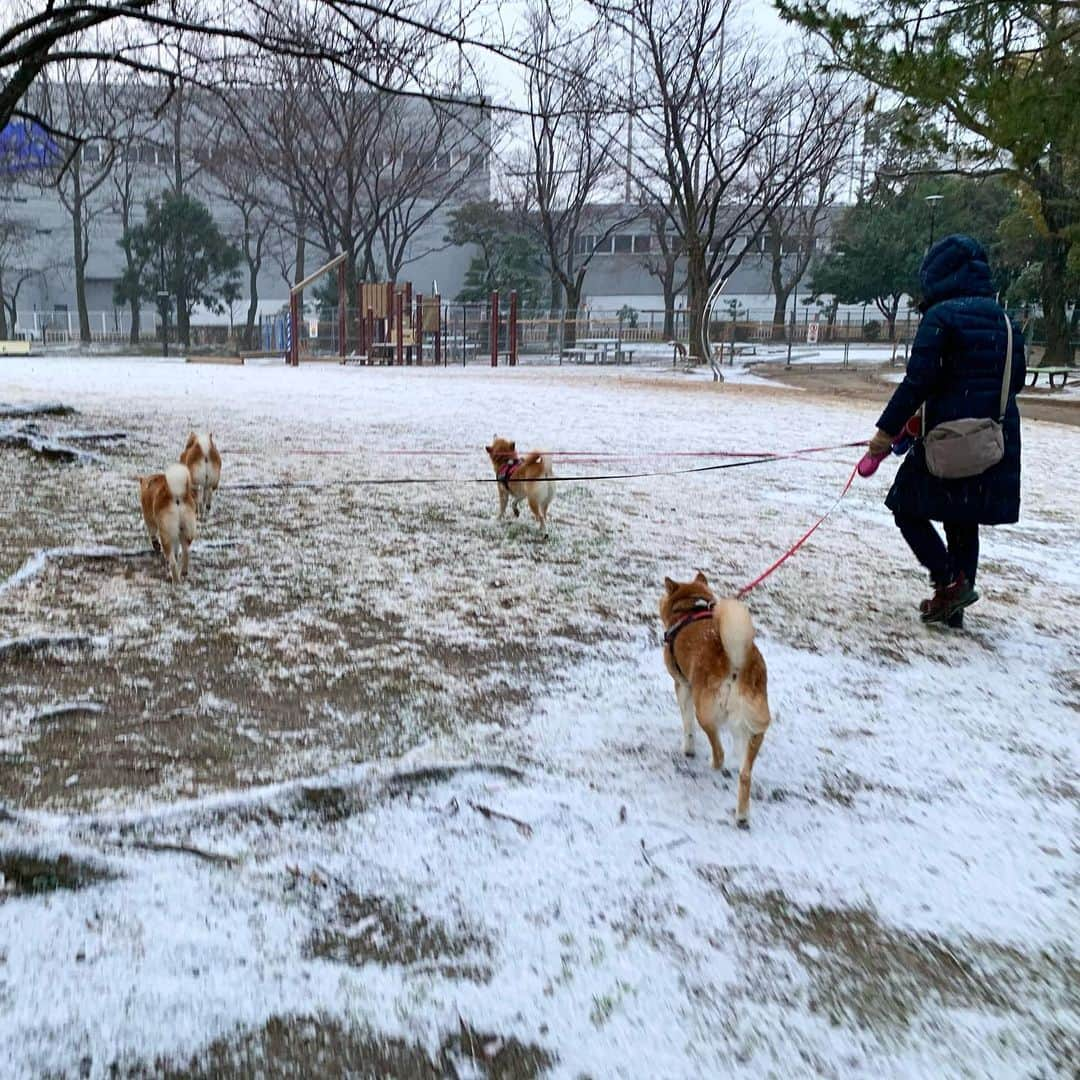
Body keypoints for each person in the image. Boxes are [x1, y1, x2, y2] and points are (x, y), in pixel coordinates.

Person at [868, 234, 1026, 627]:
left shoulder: (941, 318)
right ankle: (953, 603)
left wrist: (884, 436)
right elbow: (1017, 379)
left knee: (905, 508)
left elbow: (917, 382)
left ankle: (948, 581)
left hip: (946, 437)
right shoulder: (1005, 319)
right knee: (963, 517)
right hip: (992, 437)